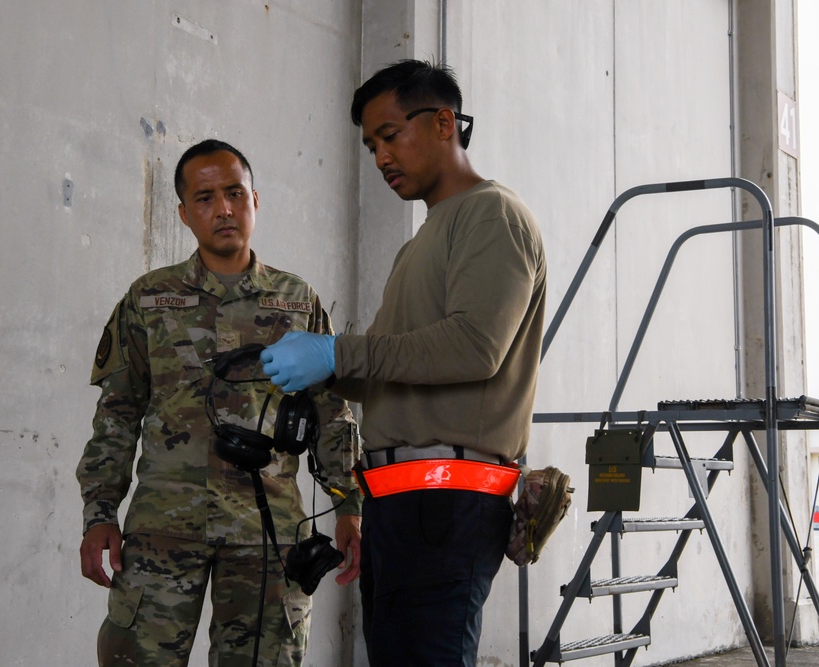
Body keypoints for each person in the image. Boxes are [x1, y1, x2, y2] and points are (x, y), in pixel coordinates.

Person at [259, 60, 547, 665]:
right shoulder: (419, 244)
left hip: (449, 501)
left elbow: (474, 347)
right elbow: (396, 366)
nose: (381, 157)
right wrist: (326, 368)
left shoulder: (491, 214)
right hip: (400, 505)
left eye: (390, 135)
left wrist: (338, 351)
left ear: (444, 122)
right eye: (370, 146)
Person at [76, 139, 362, 666]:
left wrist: (349, 505)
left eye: (235, 193)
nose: (224, 209)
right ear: (184, 214)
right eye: (205, 198)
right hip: (165, 528)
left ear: (256, 199)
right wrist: (99, 514)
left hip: (268, 533)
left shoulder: (297, 301)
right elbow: (117, 414)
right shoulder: (149, 299)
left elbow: (331, 412)